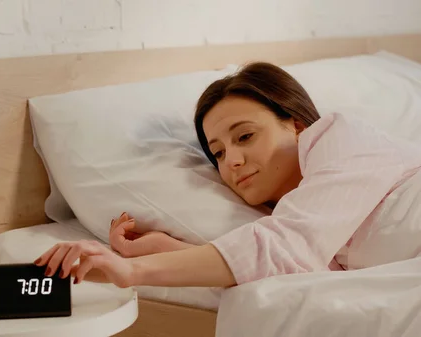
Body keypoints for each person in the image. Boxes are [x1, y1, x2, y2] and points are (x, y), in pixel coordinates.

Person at [34, 62, 421, 289]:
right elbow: (301, 272)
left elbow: (284, 248)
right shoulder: (304, 217)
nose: (231, 161)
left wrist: (132, 270)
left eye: (246, 136)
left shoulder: (340, 138)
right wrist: (161, 247)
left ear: (298, 126)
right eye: (217, 152)